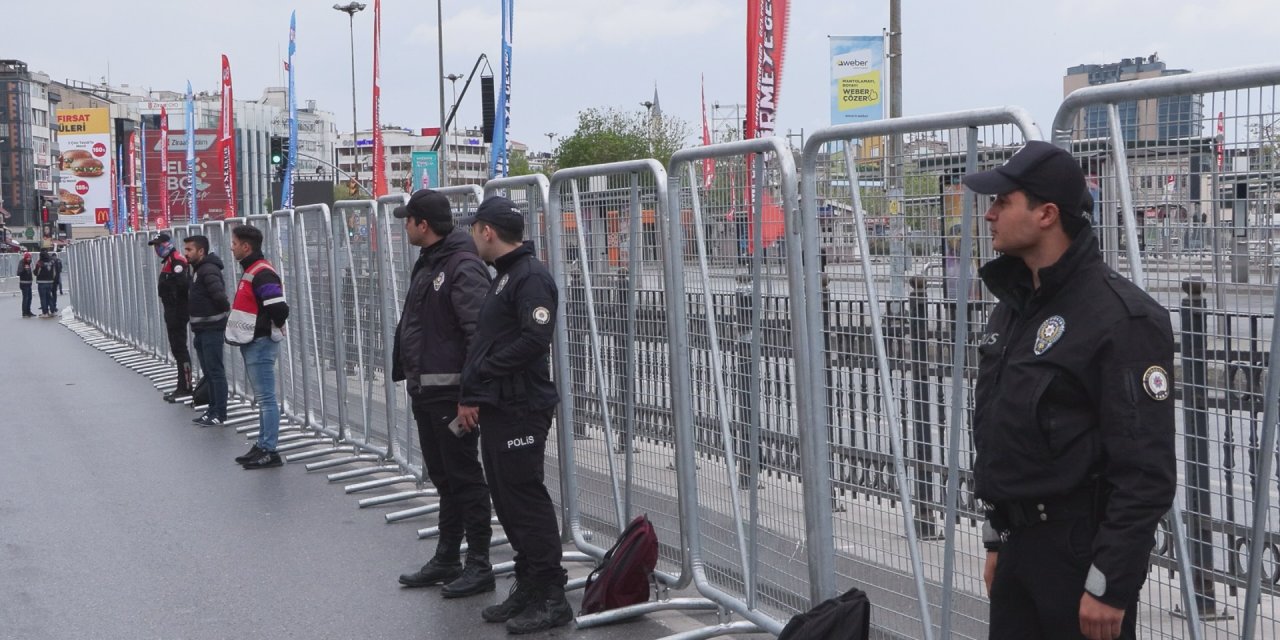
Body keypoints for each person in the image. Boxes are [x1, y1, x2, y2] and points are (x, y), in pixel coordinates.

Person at [965, 141, 1175, 640]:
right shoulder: (1016, 302)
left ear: (1046, 214)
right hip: (1019, 550)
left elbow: (1145, 472)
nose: (989, 214)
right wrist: (997, 540)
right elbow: (1002, 432)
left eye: (1002, 202)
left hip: (1078, 558)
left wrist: (1110, 586)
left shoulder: (1120, 317)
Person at [459, 196, 571, 634]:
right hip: (500, 405)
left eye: (474, 230)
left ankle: (551, 594)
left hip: (522, 406)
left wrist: (484, 371)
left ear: (487, 231)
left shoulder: (530, 277)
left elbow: (535, 338)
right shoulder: (505, 276)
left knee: (524, 498)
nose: (472, 237)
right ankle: (528, 584)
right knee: (506, 498)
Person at [391, 189, 496, 598]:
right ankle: (448, 557)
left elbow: (479, 337)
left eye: (408, 220)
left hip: (453, 396)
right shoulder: (431, 261)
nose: (405, 226)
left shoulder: (461, 266)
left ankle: (480, 564)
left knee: (465, 477)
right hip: (429, 392)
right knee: (445, 477)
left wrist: (470, 397)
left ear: (424, 225)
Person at [226, 225, 289, 470]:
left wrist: (271, 326)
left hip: (260, 342)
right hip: (255, 341)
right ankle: (263, 445)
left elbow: (279, 308)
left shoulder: (261, 272)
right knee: (263, 398)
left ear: (246, 246)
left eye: (234, 243)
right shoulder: (253, 270)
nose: (231, 248)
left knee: (266, 399)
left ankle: (269, 450)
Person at [183, 235, 230, 427]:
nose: (185, 254)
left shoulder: (208, 270)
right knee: (209, 372)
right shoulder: (198, 270)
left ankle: (220, 412)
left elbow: (220, 296)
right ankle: (212, 409)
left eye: (189, 250)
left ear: (201, 251)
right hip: (201, 329)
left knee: (215, 372)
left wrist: (222, 315)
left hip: (211, 329)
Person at [148, 233, 194, 402]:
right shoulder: (169, 261)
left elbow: (181, 287)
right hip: (171, 310)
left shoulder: (177, 261)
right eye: (155, 246)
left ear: (168, 244)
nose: (157, 249)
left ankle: (186, 386)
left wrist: (176, 307)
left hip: (178, 311)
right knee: (176, 349)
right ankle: (181, 385)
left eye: (159, 245)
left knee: (180, 349)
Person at [34, 250, 56, 318]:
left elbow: (36, 272)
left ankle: (45, 312)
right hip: (50, 282)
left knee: (43, 298)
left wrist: (34, 272)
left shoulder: (40, 263)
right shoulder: (51, 262)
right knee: (49, 297)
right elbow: (54, 273)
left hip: (41, 282)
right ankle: (52, 311)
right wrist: (52, 279)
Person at [17, 252, 34, 318]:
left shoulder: (29, 263)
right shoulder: (22, 262)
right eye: (28, 258)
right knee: (25, 298)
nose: (29, 259)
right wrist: (24, 269)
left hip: (29, 283)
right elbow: (18, 272)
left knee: (29, 297)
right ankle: (24, 312)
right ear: (25, 258)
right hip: (24, 283)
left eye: (30, 258)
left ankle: (28, 311)